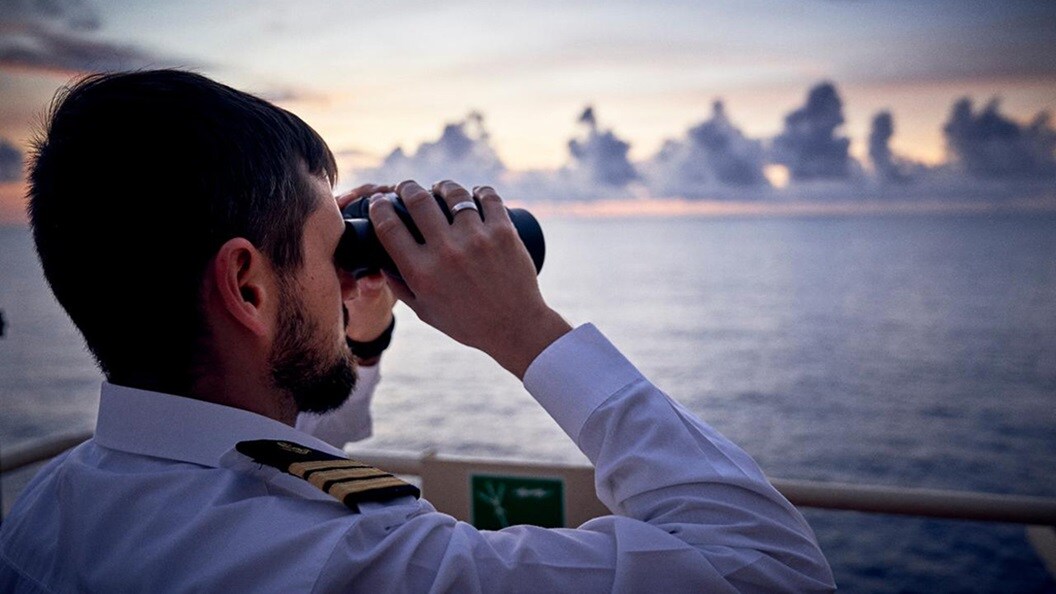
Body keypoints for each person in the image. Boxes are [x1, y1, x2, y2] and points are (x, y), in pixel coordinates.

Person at [0, 70, 835, 592]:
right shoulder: (362, 562)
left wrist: (355, 336)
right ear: (248, 286)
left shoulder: (49, 509)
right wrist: (524, 329)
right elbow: (769, 569)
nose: (347, 271)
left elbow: (253, 450)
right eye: (333, 247)